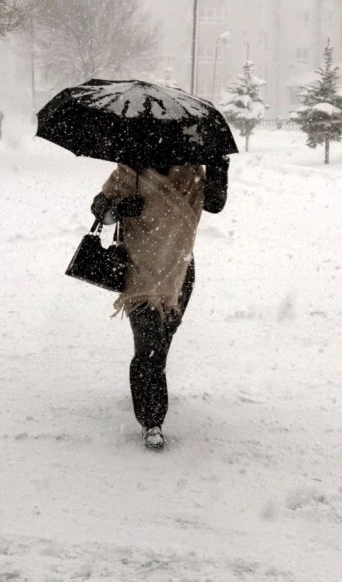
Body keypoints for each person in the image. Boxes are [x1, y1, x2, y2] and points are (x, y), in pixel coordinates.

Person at [91, 157, 229, 449]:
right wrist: (118, 209)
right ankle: (151, 420)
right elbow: (98, 207)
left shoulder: (191, 171)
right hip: (138, 270)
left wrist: (219, 165)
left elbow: (214, 203)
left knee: (163, 337)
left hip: (178, 270)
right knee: (149, 343)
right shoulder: (130, 170)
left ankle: (148, 386)